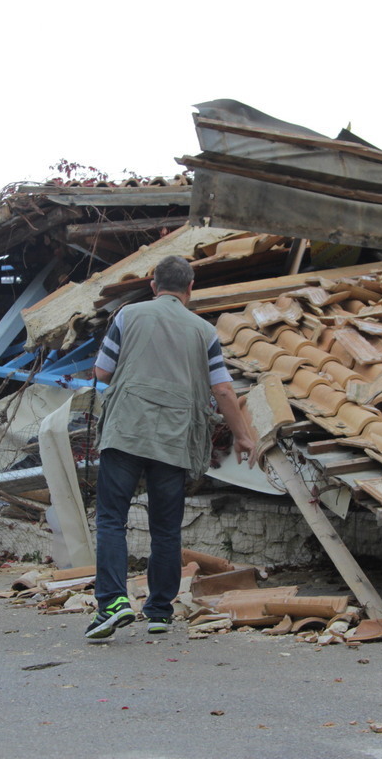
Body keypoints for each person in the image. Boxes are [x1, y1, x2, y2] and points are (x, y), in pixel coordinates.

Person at [85, 255, 257, 639]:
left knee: (112, 518)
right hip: (175, 437)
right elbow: (223, 389)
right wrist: (243, 435)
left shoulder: (129, 316)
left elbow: (102, 372)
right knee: (166, 528)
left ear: (153, 285)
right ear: (190, 288)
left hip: (127, 430)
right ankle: (160, 610)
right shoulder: (203, 330)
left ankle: (112, 602)